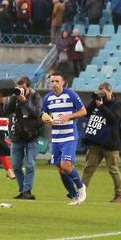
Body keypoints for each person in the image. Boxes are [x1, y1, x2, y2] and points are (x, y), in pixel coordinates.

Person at [41, 72, 88, 205]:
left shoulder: (70, 94)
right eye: (52, 81)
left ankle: (80, 187)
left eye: (57, 81)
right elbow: (43, 113)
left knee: (65, 166)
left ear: (63, 83)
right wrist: (46, 120)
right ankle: (74, 196)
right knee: (60, 169)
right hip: (56, 137)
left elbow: (83, 111)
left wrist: (69, 116)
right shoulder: (48, 98)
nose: (54, 84)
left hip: (69, 136)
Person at [80, 81, 121, 201]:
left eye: (104, 93)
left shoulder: (117, 105)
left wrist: (101, 106)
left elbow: (114, 120)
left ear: (111, 92)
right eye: (100, 93)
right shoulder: (97, 102)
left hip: (110, 143)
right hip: (96, 141)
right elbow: (85, 112)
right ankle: (80, 192)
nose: (102, 96)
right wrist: (95, 100)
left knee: (113, 170)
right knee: (88, 168)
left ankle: (119, 194)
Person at [3, 77, 43, 199]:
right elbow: (6, 111)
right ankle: (22, 190)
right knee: (16, 166)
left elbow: (37, 113)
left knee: (30, 164)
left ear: (29, 87)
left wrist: (25, 101)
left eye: (23, 88)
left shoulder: (35, 96)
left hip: (32, 135)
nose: (20, 90)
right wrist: (14, 98)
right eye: (18, 88)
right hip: (16, 135)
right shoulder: (14, 97)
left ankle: (27, 191)